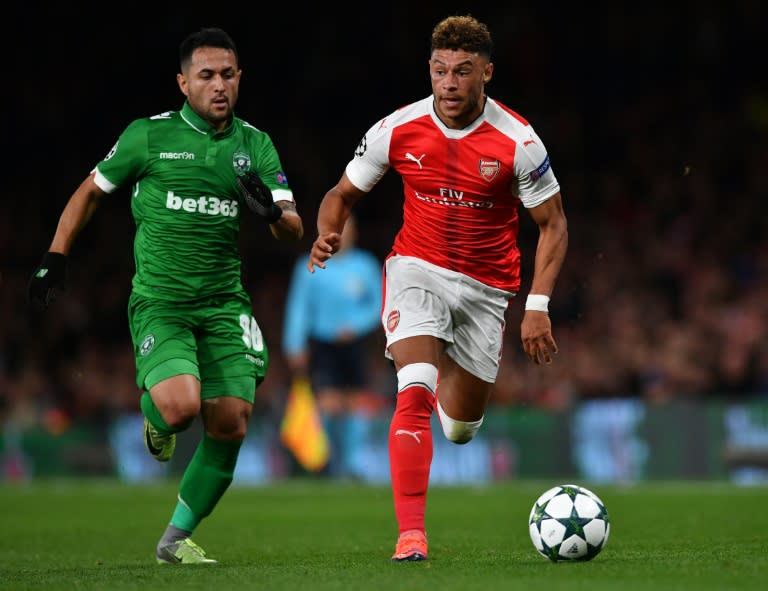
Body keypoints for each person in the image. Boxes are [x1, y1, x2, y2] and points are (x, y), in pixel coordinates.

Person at [27, 27, 304, 564]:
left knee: (231, 421)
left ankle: (175, 539)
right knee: (179, 410)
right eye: (206, 76)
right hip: (164, 302)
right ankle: (155, 417)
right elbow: (89, 193)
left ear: (240, 78)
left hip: (225, 305)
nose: (219, 85)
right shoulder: (147, 137)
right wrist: (56, 255)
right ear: (183, 83)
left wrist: (271, 213)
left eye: (227, 74)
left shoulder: (255, 144)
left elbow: (292, 226)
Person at [307, 15, 568, 562]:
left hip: (487, 289)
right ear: (429, 70)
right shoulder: (397, 129)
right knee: (415, 385)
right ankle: (411, 535)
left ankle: (448, 358)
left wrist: (537, 305)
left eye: (463, 72)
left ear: (487, 74)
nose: (449, 83)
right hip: (415, 270)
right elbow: (340, 193)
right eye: (440, 70)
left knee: (461, 430)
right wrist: (328, 232)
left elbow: (554, 224)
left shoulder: (518, 140)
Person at [282, 214, 383, 478]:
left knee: (356, 401)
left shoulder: (365, 266)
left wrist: (356, 326)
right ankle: (326, 465)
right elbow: (298, 309)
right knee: (328, 402)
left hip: (357, 343)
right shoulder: (310, 266)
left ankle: (352, 464)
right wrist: (294, 344)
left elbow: (378, 306)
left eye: (346, 229)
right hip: (323, 343)